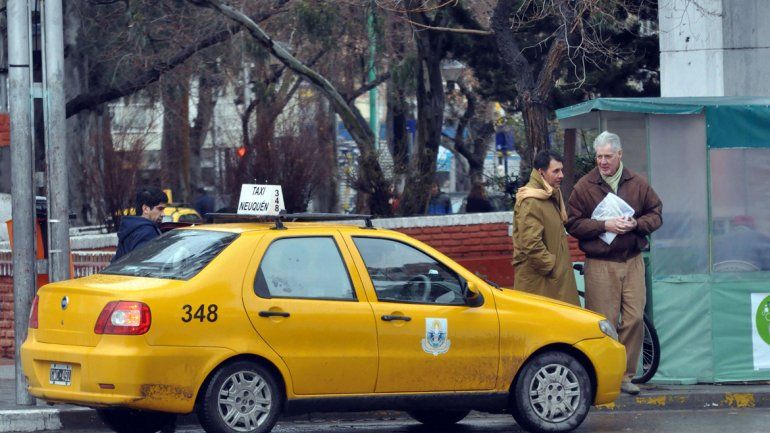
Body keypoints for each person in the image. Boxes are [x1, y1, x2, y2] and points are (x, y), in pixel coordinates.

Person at [566, 131, 662, 395]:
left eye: (608, 156)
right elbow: (572, 223)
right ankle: (603, 377)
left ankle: (626, 376)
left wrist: (637, 224)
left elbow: (656, 213)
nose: (603, 162)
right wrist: (603, 225)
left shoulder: (638, 183)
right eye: (599, 157)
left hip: (632, 261)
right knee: (604, 322)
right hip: (600, 263)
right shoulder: (584, 187)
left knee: (633, 319)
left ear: (620, 155)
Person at [512, 150, 579, 306]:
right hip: (542, 283)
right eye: (556, 171)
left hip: (552, 281)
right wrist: (552, 266)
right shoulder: (531, 200)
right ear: (541, 172)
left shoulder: (548, 195)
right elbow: (530, 243)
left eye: (561, 170)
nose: (561, 175)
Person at [112, 186, 168, 262]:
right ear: (145, 209)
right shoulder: (147, 232)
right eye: (160, 209)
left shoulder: (131, 228)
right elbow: (145, 265)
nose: (163, 214)